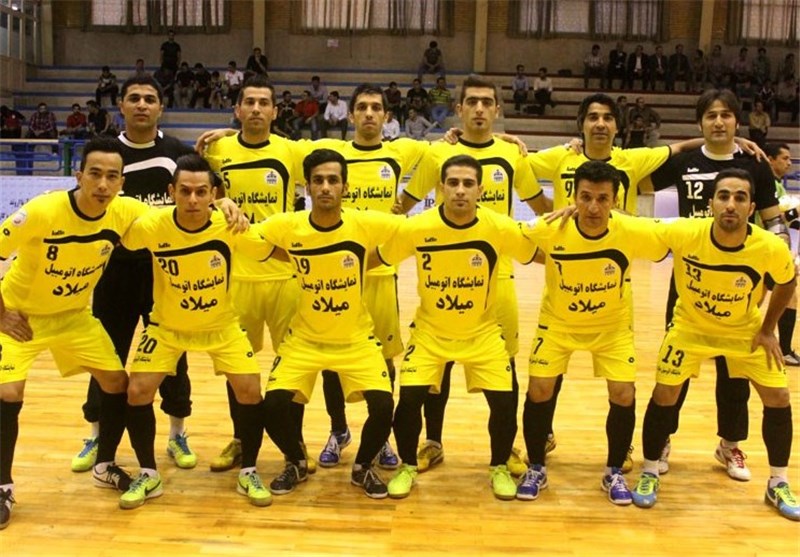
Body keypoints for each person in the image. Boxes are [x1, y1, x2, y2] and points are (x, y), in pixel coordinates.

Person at [398, 75, 549, 476]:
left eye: (487, 102)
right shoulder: (438, 153)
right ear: (459, 109)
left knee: (504, 367)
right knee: (438, 366)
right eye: (472, 102)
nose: (479, 109)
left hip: (498, 279)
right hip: (444, 277)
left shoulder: (512, 153)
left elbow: (542, 207)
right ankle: (433, 442)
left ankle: (506, 448)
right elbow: (403, 205)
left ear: (497, 110)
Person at [630, 168, 799, 522]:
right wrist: (582, 210)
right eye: (723, 196)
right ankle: (649, 471)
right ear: (711, 204)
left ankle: (779, 483)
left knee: (779, 398)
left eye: (740, 198)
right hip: (690, 328)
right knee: (665, 393)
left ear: (751, 207)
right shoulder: (686, 232)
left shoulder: (769, 246)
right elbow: (630, 227)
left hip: (744, 331)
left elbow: (787, 281)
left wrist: (768, 329)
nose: (730, 204)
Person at [0, 137, 150, 529]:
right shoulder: (43, 210)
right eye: (95, 174)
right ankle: (2, 487)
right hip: (21, 318)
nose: (103, 184)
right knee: (8, 393)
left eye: (112, 177)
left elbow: (179, 216)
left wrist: (223, 204)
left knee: (116, 382)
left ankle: (105, 465)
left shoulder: (125, 211)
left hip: (74, 317)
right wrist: (1, 315)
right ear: (78, 175)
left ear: (121, 183)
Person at [644, 88, 788, 479]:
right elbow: (637, 181)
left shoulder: (755, 165)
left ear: (737, 121)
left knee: (735, 371)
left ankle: (730, 444)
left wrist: (776, 266)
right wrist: (687, 145)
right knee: (676, 370)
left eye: (726, 115)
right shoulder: (685, 162)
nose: (719, 122)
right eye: (711, 116)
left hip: (740, 283)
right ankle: (662, 439)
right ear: (700, 123)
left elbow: (774, 220)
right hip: (690, 278)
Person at [382, 154, 539, 500]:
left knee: (504, 403)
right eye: (453, 183)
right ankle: (408, 466)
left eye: (468, 184)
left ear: (481, 190)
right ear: (440, 188)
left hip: (482, 333)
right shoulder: (417, 227)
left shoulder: (499, 227)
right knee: (408, 402)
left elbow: (539, 253)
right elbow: (377, 257)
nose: (460, 191)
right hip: (430, 333)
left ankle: (498, 466)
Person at [117, 154, 268, 510]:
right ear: (171, 192)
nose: (193, 199)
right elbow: (119, 230)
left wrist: (238, 212)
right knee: (137, 391)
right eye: (184, 191)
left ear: (214, 194)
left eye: (202, 192)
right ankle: (148, 473)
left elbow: (266, 247)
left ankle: (249, 470)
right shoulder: (152, 225)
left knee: (250, 390)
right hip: (167, 327)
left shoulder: (229, 226)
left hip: (221, 326)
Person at [516, 160, 668, 505]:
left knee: (623, 393)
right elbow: (509, 235)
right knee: (539, 389)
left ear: (615, 200)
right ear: (573, 197)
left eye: (602, 198)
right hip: (558, 324)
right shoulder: (552, 227)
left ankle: (614, 471)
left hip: (611, 328)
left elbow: (676, 234)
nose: (593, 207)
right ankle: (536, 467)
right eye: (585, 197)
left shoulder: (630, 229)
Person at [73, 76, 197, 476]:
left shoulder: (178, 152)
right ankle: (96, 434)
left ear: (161, 107)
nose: (142, 104)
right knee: (104, 355)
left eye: (149, 99)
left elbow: (206, 190)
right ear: (121, 106)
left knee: (173, 357)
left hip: (165, 274)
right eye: (134, 98)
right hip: (113, 273)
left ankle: (177, 433)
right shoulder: (107, 155)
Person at [259, 148, 400, 499]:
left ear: (345, 187)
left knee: (384, 406)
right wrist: (223, 206)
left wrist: (376, 257)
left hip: (356, 338)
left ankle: (362, 467)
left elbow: (414, 231)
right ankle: (295, 461)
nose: (325, 187)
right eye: (318, 180)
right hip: (304, 339)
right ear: (307, 187)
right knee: (272, 407)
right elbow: (245, 234)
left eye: (333, 180)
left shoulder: (364, 223)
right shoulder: (288, 226)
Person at [311, 83, 427, 470]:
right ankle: (339, 429)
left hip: (380, 273)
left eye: (376, 108)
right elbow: (276, 147)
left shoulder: (400, 152)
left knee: (384, 358)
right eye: (362, 107)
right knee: (331, 357)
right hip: (334, 275)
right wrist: (226, 133)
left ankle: (381, 437)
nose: (369, 114)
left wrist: (406, 204)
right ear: (350, 115)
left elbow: (444, 156)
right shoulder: (335, 154)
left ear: (387, 116)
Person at [202, 75, 311, 474]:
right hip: (236, 278)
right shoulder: (217, 149)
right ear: (237, 109)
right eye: (249, 102)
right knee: (238, 367)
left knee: (293, 365)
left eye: (264, 103)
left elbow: (347, 153)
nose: (256, 109)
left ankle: (293, 442)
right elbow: (195, 183)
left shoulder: (291, 151)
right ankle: (241, 439)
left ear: (275, 111)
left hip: (285, 276)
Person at [765, 143, 800, 366]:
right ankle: (785, 350)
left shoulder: (776, 184)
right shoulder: (768, 184)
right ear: (770, 159)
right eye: (784, 158)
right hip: (766, 248)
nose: (789, 163)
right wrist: (796, 211)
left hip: (769, 247)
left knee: (753, 298)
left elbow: (786, 221)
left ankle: (722, 341)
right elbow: (775, 218)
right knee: (789, 294)